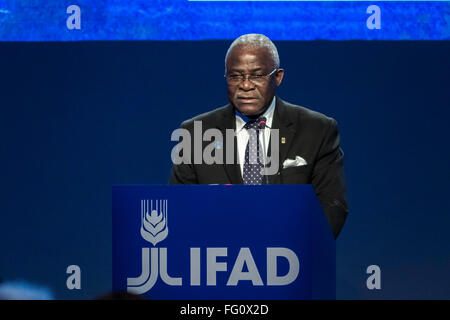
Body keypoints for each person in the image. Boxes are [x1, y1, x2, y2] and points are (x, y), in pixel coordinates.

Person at [169, 34, 347, 238]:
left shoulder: (316, 130)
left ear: (278, 77)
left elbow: (332, 206)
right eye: (235, 76)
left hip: (291, 260)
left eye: (257, 75)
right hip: (216, 260)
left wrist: (289, 250)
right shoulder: (196, 133)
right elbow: (180, 209)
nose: (245, 85)